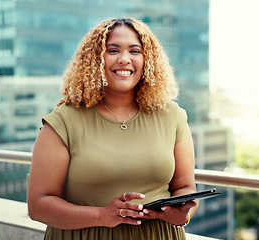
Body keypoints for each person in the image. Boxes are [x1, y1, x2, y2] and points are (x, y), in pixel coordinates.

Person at [27, 17, 198, 240]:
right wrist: (101, 215)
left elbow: (185, 187)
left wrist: (184, 215)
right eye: (113, 50)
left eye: (135, 51)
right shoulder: (64, 121)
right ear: (95, 59)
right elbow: (38, 206)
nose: (124, 59)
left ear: (148, 60)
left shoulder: (172, 116)